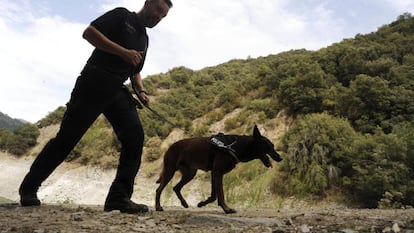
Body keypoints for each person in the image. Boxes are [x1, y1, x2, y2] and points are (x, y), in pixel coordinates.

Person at [19, 0, 173, 214]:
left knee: (134, 138)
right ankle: (29, 188)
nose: (158, 17)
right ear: (147, 3)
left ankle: (118, 198)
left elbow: (135, 70)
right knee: (67, 138)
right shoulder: (122, 16)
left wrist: (142, 91)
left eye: (163, 16)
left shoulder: (144, 39)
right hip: (94, 79)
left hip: (117, 89)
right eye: (157, 10)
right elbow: (89, 33)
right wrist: (122, 52)